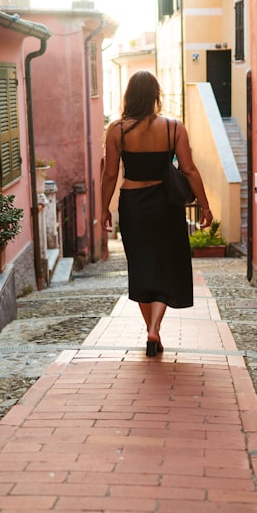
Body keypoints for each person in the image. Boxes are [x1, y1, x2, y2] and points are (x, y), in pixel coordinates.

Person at [101, 71, 212, 357]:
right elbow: (189, 169)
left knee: (141, 265)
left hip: (133, 204)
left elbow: (110, 174)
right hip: (166, 205)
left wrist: (103, 209)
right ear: (155, 96)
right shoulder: (174, 127)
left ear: (129, 96)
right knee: (166, 264)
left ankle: (149, 328)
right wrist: (205, 205)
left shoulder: (117, 131)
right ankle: (155, 328)